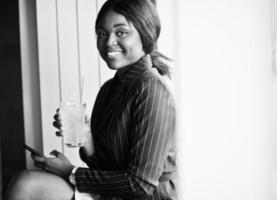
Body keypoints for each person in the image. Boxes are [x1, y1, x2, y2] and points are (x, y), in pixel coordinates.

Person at [4, 0, 176, 199]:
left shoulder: (152, 89)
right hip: (115, 193)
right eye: (102, 34)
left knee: (25, 185)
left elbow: (141, 185)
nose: (108, 41)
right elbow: (105, 167)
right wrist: (86, 137)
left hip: (148, 196)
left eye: (121, 32)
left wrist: (70, 172)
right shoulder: (109, 90)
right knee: (24, 182)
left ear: (145, 34)